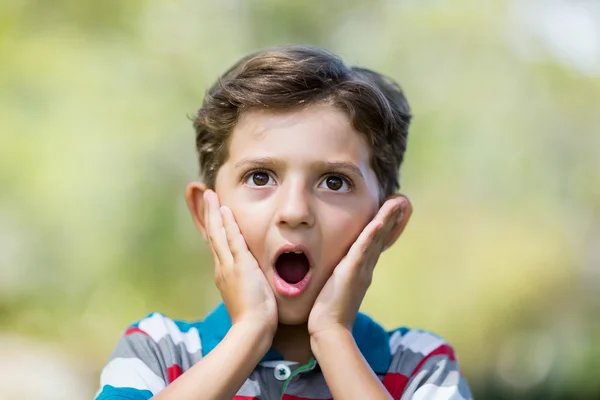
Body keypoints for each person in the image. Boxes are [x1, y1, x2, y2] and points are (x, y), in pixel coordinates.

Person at [95, 44, 473, 400]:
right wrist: (248, 334)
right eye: (260, 177)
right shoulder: (157, 351)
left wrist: (333, 336)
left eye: (334, 182)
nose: (294, 211)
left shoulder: (421, 366)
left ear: (386, 223)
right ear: (205, 214)